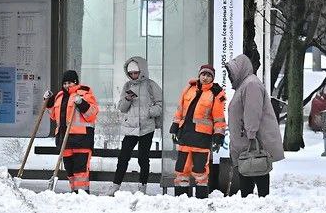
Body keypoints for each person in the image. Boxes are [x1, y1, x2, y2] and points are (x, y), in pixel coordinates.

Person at [225, 54, 285, 197]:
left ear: (240, 70)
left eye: (231, 73)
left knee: (257, 170)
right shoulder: (245, 85)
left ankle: (260, 203)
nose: (229, 77)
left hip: (250, 142)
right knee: (251, 172)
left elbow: (252, 111)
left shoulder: (250, 85)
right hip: (246, 141)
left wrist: (251, 134)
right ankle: (253, 202)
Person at [169, 64, 226, 199]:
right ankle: (181, 200)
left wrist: (218, 137)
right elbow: (180, 111)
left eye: (209, 75)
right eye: (203, 74)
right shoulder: (189, 89)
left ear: (212, 78)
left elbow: (219, 119)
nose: (205, 77)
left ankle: (201, 201)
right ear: (199, 75)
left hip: (202, 139)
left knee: (200, 172)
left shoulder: (216, 94)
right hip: (185, 136)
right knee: (181, 170)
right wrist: (175, 128)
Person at [111, 56, 163, 194]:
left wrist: (149, 112)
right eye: (131, 73)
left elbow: (161, 104)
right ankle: (115, 185)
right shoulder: (127, 86)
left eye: (136, 73)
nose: (133, 75)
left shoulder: (151, 85)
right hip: (130, 127)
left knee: (143, 158)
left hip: (146, 127)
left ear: (142, 71)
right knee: (123, 157)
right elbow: (122, 108)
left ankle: (142, 186)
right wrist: (127, 99)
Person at [44, 70, 99, 193]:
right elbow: (53, 116)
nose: (67, 85)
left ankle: (82, 194)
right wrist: (48, 102)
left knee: (80, 172)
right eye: (65, 83)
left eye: (70, 83)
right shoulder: (59, 97)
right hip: (65, 140)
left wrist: (81, 103)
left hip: (82, 140)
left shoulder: (85, 94)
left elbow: (92, 114)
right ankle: (74, 194)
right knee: (70, 171)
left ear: (76, 82)